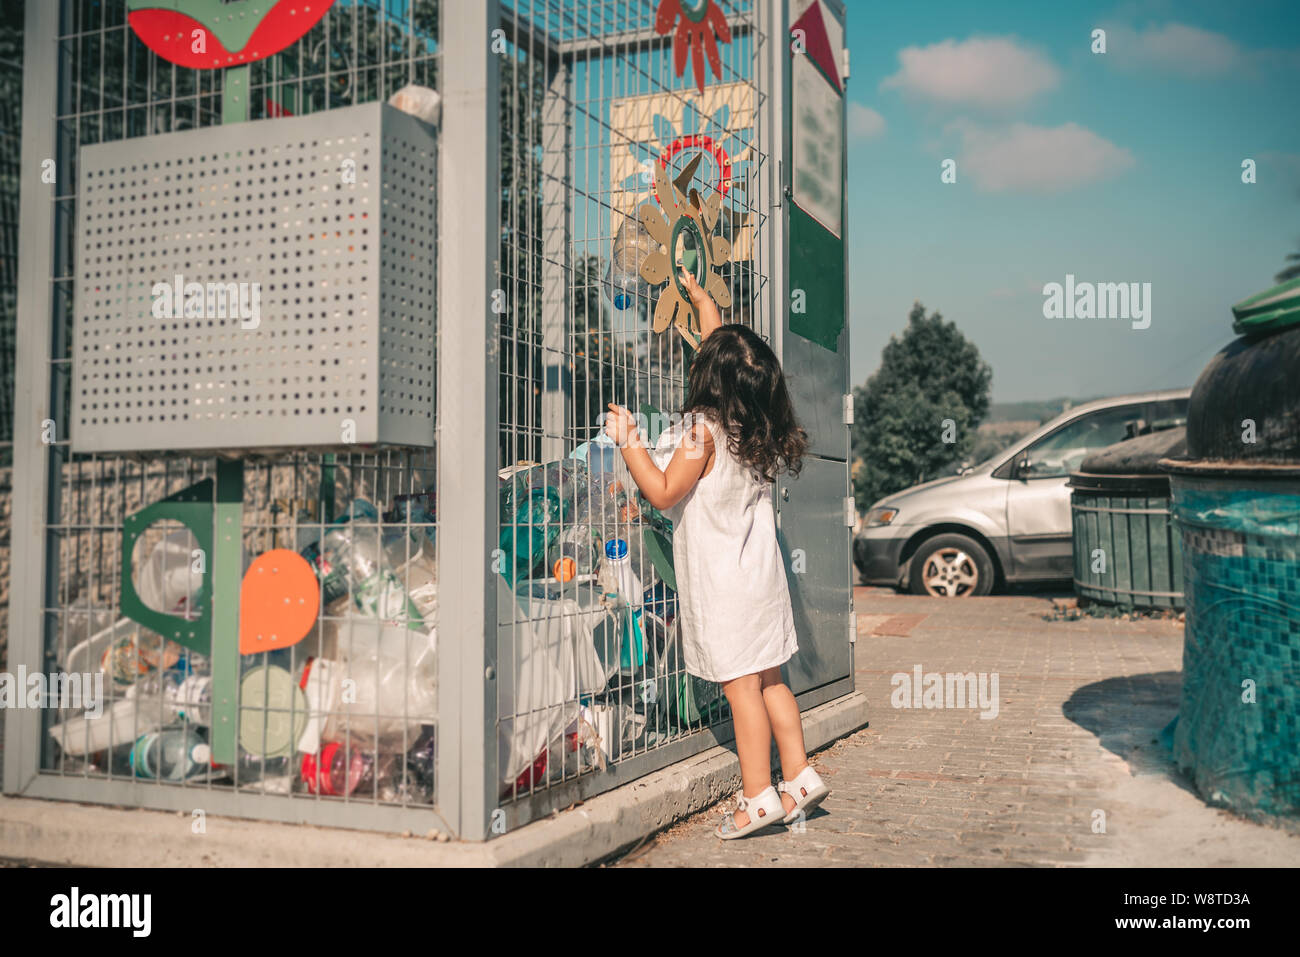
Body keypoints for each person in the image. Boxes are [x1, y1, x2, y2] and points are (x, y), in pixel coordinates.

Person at [602, 270, 831, 839]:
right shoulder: (755, 426)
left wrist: (629, 437)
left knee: (740, 691)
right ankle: (799, 776)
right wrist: (704, 303)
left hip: (725, 586)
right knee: (771, 679)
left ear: (708, 378)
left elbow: (661, 491)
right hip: (762, 577)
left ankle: (758, 797)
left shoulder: (701, 433)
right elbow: (727, 353)